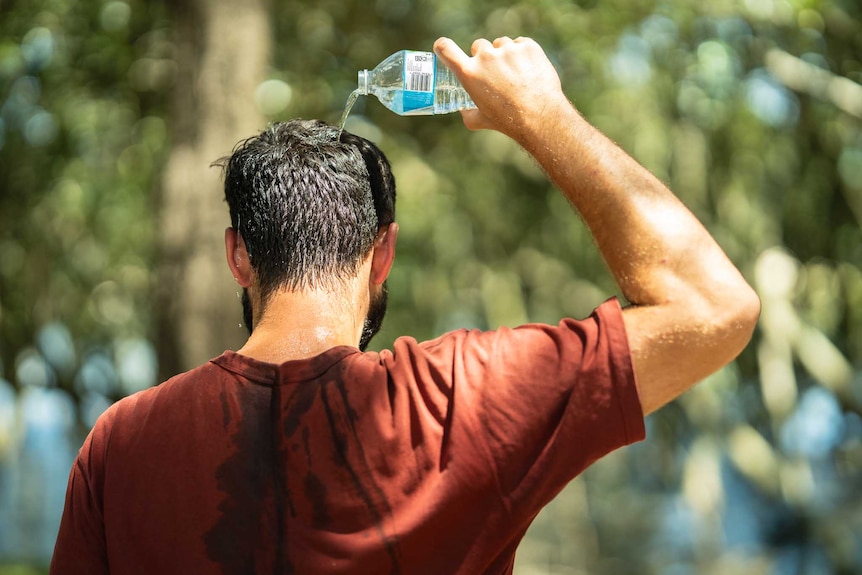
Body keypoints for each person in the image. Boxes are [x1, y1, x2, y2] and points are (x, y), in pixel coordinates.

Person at [50, 36, 760, 574]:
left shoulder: (119, 447)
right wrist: (542, 114)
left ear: (238, 255)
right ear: (381, 254)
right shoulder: (461, 402)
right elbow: (713, 305)